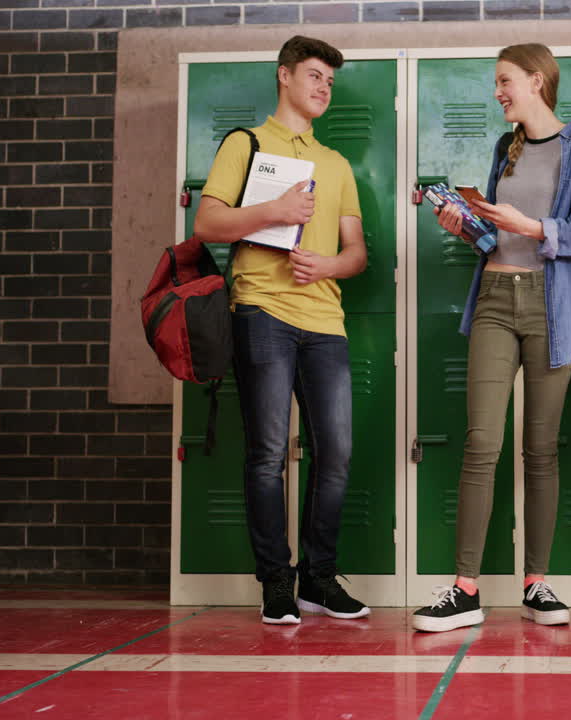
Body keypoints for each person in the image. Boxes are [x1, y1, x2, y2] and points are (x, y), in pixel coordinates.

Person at [411, 43, 571, 633]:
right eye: (497, 83)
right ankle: (464, 589)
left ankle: (536, 583)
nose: (497, 91)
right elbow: (493, 241)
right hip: (495, 300)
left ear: (538, 80)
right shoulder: (507, 146)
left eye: (505, 81)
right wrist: (465, 224)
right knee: (480, 445)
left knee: (540, 451)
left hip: (551, 305)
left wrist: (532, 225)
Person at [194, 36, 369, 624]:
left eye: (330, 82)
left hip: (325, 320)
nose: (324, 88)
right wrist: (274, 212)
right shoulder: (246, 144)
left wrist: (330, 265)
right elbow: (208, 222)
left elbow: (357, 254)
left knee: (336, 453)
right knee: (268, 453)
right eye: (315, 76)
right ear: (284, 77)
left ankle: (318, 580)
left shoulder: (337, 164)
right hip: (262, 311)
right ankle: (276, 583)